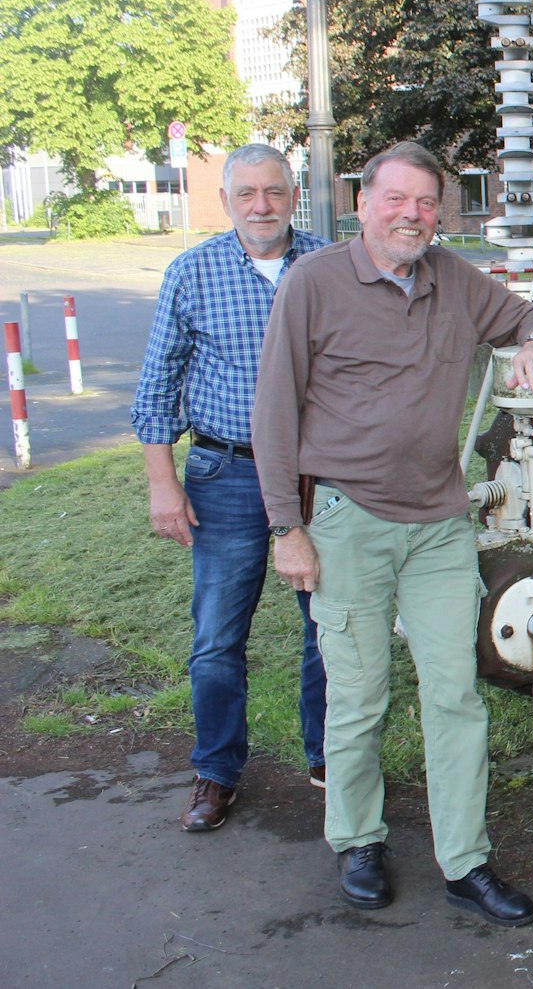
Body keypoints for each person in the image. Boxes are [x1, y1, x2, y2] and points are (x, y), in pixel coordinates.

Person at [252, 141, 533, 927]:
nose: (413, 215)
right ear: (364, 204)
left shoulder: (454, 279)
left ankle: (466, 860)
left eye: (427, 203)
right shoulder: (313, 283)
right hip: (347, 521)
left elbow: (532, 309)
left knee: (456, 694)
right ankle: (358, 839)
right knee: (358, 696)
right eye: (398, 200)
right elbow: (274, 413)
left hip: (438, 526)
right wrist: (286, 527)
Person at [131, 143, 329, 833]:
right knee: (217, 635)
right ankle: (215, 771)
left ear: (293, 194)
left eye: (273, 191)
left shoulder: (330, 264)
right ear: (226, 200)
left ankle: (331, 759)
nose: (261, 206)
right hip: (228, 473)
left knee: (329, 625)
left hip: (319, 476)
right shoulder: (193, 272)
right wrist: (162, 482)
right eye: (247, 193)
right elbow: (156, 387)